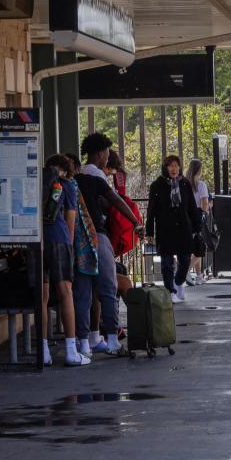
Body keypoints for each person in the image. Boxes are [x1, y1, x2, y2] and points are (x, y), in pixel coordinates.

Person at [74, 133, 142, 356]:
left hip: (77, 238)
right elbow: (114, 200)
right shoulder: (96, 177)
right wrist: (135, 222)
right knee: (107, 286)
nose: (107, 158)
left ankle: (85, 342)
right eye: (106, 153)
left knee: (84, 291)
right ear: (100, 153)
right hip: (96, 235)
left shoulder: (76, 176)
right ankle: (112, 339)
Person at [40, 155, 88, 366]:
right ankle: (71, 350)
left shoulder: (36, 182)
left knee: (41, 297)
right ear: (66, 170)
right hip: (59, 239)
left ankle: (43, 351)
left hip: (36, 240)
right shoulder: (67, 185)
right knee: (65, 293)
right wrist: (70, 246)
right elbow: (70, 219)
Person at [146, 154, 200, 303]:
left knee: (184, 260)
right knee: (167, 263)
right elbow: (151, 210)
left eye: (176, 166)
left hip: (184, 227)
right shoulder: (157, 185)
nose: (174, 169)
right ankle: (170, 290)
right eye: (171, 166)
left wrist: (197, 227)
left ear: (180, 167)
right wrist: (149, 231)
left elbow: (192, 207)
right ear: (165, 168)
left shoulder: (185, 184)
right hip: (165, 228)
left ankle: (178, 282)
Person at [185, 158, 211, 285]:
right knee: (200, 248)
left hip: (184, 217)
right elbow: (205, 203)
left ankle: (199, 276)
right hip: (197, 217)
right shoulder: (201, 185)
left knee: (196, 246)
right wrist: (205, 213)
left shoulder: (183, 184)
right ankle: (185, 270)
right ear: (199, 170)